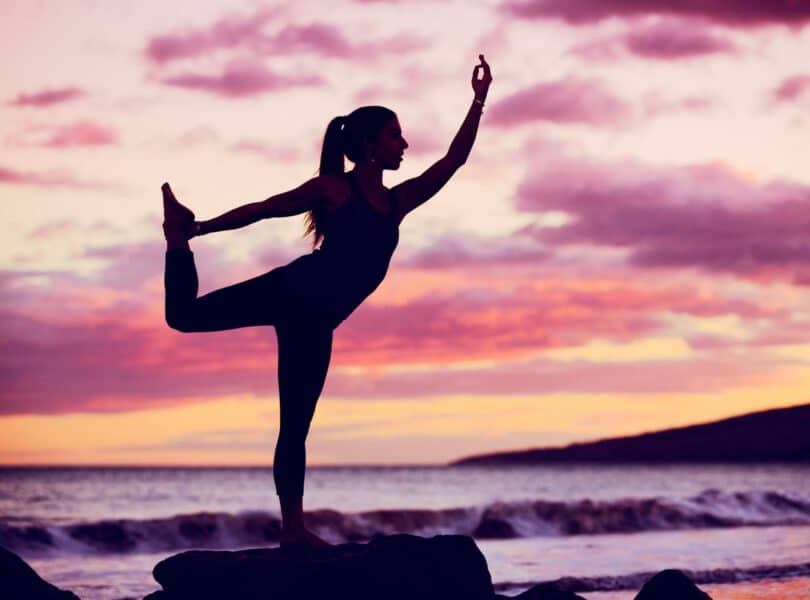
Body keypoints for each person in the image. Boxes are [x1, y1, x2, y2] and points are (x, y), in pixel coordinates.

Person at [161, 55, 492, 547]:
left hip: (315, 323)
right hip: (292, 290)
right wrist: (202, 227)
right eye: (393, 135)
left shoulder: (398, 204)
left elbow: (453, 161)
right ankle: (178, 240)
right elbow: (265, 209)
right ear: (367, 144)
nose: (403, 144)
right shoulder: (334, 189)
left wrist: (479, 100)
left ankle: (292, 530)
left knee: (295, 426)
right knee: (183, 317)